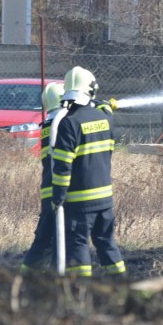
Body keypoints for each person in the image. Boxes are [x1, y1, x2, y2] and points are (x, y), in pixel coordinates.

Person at [51, 66, 127, 279]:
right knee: (107, 243)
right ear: (91, 90)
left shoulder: (68, 123)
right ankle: (121, 283)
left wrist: (58, 195)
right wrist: (104, 108)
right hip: (105, 199)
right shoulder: (105, 119)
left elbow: (62, 166)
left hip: (79, 201)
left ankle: (80, 287)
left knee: (78, 243)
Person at [20, 82, 65, 275]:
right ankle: (48, 273)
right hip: (56, 189)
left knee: (47, 236)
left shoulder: (49, 123)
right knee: (51, 237)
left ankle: (30, 273)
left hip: (48, 189)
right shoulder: (62, 124)